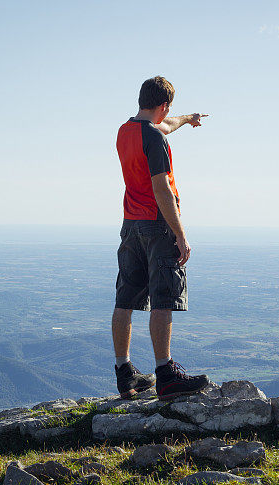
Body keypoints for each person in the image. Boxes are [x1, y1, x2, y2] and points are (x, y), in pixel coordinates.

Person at [112, 75, 210, 401]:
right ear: (163, 104)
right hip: (158, 224)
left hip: (131, 225)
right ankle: (165, 373)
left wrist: (187, 118)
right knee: (164, 297)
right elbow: (162, 188)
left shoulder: (126, 131)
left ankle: (124, 373)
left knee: (125, 298)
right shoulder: (155, 139)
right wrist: (181, 235)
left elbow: (165, 124)